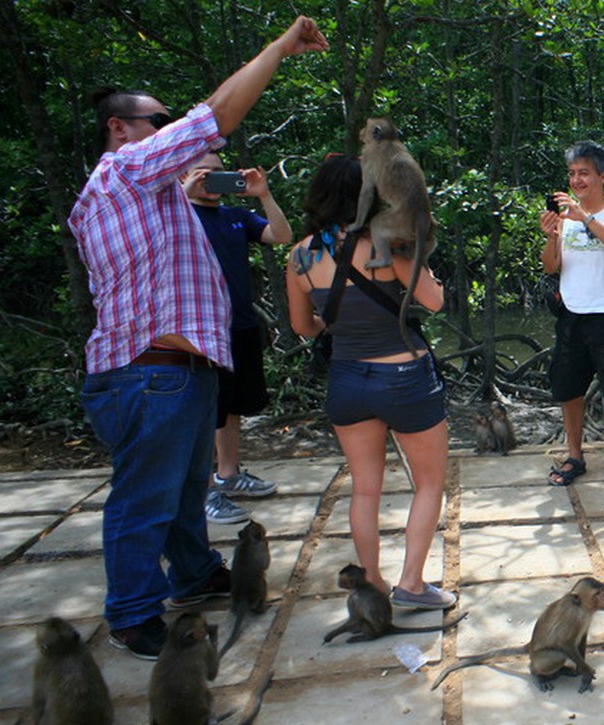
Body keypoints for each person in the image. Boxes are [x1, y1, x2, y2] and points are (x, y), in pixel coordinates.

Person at [68, 17, 328, 659]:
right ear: (120, 131)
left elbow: (268, 235)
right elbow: (215, 115)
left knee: (184, 489)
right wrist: (278, 48)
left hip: (178, 373)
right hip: (147, 372)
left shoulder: (159, 197)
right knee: (143, 498)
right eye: (159, 122)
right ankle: (131, 613)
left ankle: (191, 576)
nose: (170, 132)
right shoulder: (124, 172)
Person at [285, 155, 453, 609]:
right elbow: (434, 301)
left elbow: (304, 326)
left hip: (347, 379)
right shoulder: (388, 246)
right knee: (429, 484)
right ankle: (412, 585)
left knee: (364, 488)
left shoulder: (300, 256)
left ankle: (373, 582)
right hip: (403, 377)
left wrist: (335, 321)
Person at [182, 153, 292, 524]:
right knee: (201, 414)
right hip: (199, 330)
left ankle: (227, 475)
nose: (213, 179)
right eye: (205, 173)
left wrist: (263, 195)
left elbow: (281, 236)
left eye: (219, 172)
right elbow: (156, 236)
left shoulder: (235, 217)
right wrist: (184, 192)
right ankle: (204, 493)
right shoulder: (176, 215)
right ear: (185, 173)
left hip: (240, 326)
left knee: (231, 408)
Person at [540, 141, 604, 489]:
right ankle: (575, 456)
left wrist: (586, 219)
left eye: (584, 173)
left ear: (603, 176)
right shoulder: (566, 219)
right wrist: (552, 234)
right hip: (572, 316)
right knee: (568, 390)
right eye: (572, 174)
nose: (576, 180)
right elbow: (552, 266)